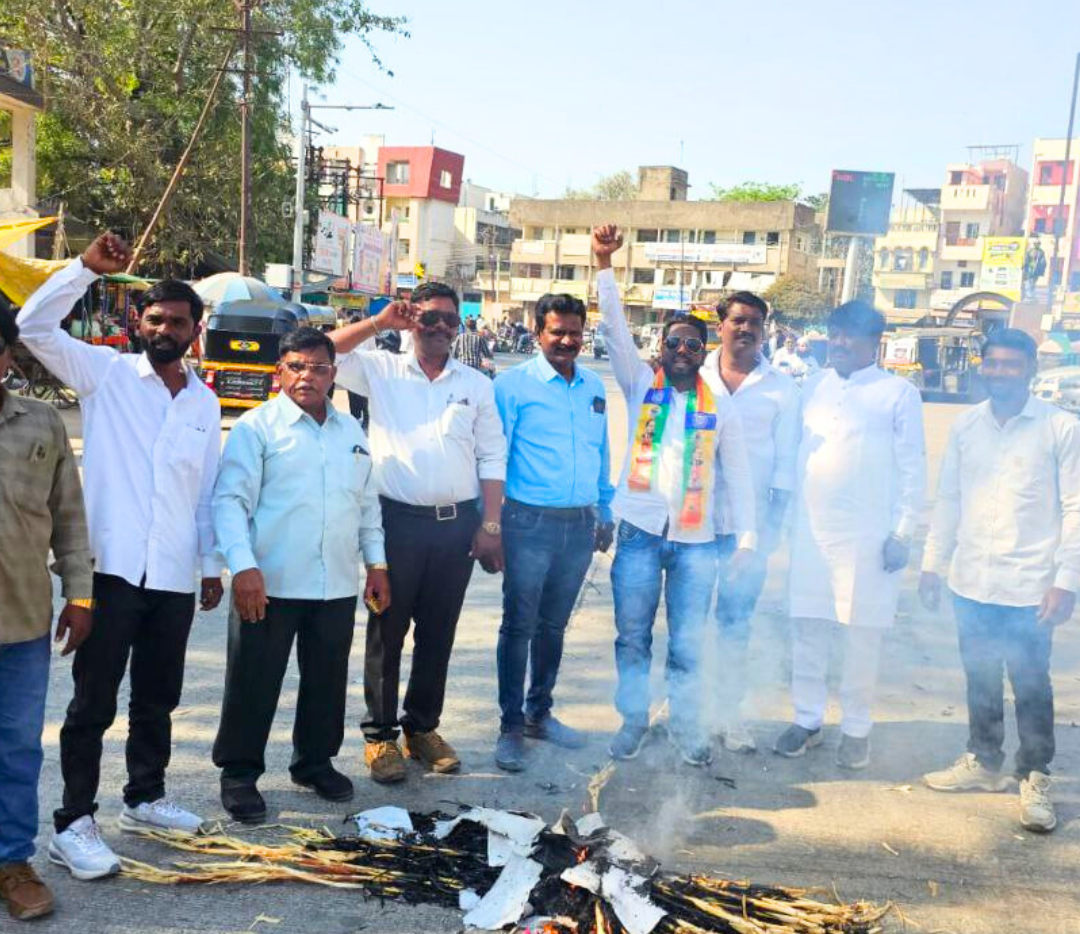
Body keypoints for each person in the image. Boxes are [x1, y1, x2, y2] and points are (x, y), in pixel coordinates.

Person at [17, 233, 223, 879]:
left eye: (178, 322)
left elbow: (205, 493)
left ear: (195, 330)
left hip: (173, 574)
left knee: (157, 698)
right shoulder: (105, 375)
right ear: (139, 321)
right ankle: (73, 823)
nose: (165, 329)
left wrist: (210, 565)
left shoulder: (205, 400)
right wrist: (84, 269)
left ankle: (145, 798)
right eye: (155, 319)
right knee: (93, 704)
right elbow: (33, 326)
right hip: (110, 572)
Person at [593, 224, 757, 767]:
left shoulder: (720, 404)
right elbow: (614, 330)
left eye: (692, 344)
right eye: (674, 343)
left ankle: (685, 725)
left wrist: (748, 540)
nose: (682, 350)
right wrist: (604, 265)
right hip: (639, 533)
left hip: (696, 544)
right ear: (659, 348)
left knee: (687, 641)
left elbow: (739, 475)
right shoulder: (641, 385)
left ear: (703, 351)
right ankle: (633, 721)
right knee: (632, 637)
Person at [330, 283, 507, 784]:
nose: (440, 328)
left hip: (456, 528)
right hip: (396, 525)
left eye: (450, 320)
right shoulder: (381, 369)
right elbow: (321, 352)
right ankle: (380, 736)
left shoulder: (476, 385)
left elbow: (492, 456)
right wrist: (379, 323)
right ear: (412, 320)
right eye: (430, 318)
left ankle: (422, 729)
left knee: (438, 633)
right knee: (386, 632)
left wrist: (491, 524)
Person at [211, 327, 388, 822]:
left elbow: (366, 504)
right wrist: (242, 567)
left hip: (335, 582)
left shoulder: (350, 431)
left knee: (326, 680)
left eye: (318, 367)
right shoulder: (257, 428)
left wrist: (377, 563)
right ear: (280, 371)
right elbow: (230, 502)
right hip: (268, 583)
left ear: (334, 374)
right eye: (296, 366)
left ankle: (314, 762)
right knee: (254, 679)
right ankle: (239, 774)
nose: (307, 376)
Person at [920, 329, 1080, 833]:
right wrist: (932, 563)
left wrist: (1067, 580)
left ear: (1031, 369)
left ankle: (1034, 774)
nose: (1001, 373)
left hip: (1030, 585)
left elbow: (1076, 508)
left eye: (1012, 365)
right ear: (982, 366)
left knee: (1031, 683)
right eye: (993, 364)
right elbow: (949, 499)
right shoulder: (967, 426)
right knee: (980, 675)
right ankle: (984, 760)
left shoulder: (1060, 427)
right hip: (971, 580)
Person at [776, 300, 925, 769]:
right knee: (808, 629)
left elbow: (913, 468)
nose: (838, 343)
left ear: (874, 342)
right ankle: (807, 719)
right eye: (834, 333)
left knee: (862, 636)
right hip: (811, 533)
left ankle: (857, 726)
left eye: (849, 336)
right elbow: (793, 454)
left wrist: (903, 532)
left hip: (868, 537)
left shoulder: (898, 393)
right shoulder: (813, 386)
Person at [492, 292, 616, 771]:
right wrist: (491, 524)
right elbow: (494, 457)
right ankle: (510, 726)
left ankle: (539, 713)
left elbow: (600, 451)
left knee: (553, 626)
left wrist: (604, 509)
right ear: (537, 332)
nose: (566, 341)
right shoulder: (513, 386)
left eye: (574, 333)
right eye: (556, 332)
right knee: (519, 625)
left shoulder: (593, 386)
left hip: (580, 524)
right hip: (528, 523)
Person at [0, 307, 93, 921]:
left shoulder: (41, 422)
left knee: (15, 748)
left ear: (8, 354)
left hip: (22, 622)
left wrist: (81, 595)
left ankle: (12, 861)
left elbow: (69, 517)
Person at [702, 291, 800, 753]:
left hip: (748, 528)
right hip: (694, 524)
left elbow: (786, 462)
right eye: (738, 320)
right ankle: (690, 712)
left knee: (735, 622)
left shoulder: (781, 388)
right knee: (688, 622)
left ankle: (729, 714)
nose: (746, 329)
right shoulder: (694, 374)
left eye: (755, 323)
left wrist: (770, 528)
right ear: (720, 324)